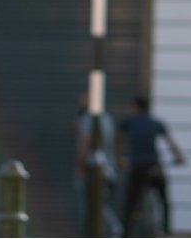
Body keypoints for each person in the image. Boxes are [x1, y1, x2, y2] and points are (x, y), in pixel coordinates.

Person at [119, 96, 185, 237]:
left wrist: (119, 158)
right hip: (154, 166)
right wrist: (179, 157)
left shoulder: (130, 121)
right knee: (164, 199)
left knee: (130, 202)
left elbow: (118, 138)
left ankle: (125, 232)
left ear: (135, 107)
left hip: (137, 166)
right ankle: (166, 230)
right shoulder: (155, 123)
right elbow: (171, 143)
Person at [74, 94, 122, 237]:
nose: (80, 101)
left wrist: (80, 167)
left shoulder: (89, 119)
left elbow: (85, 143)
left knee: (92, 207)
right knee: (101, 206)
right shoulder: (107, 118)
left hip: (93, 170)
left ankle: (113, 229)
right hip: (110, 170)